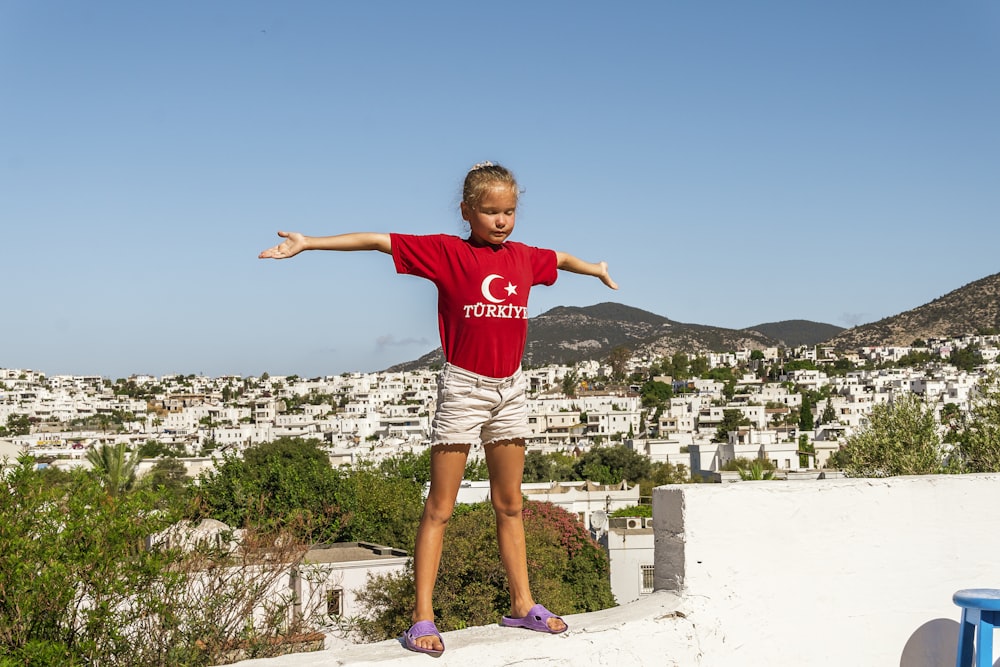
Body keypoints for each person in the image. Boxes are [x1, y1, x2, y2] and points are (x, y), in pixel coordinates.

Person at [259, 162, 617, 656]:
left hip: (511, 389)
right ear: (467, 211)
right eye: (490, 211)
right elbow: (377, 240)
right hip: (463, 388)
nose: (501, 221)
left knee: (510, 504)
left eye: (509, 211)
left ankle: (523, 605)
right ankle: (421, 618)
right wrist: (310, 241)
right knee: (440, 507)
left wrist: (595, 269)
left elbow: (562, 257)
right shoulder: (446, 252)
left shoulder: (526, 259)